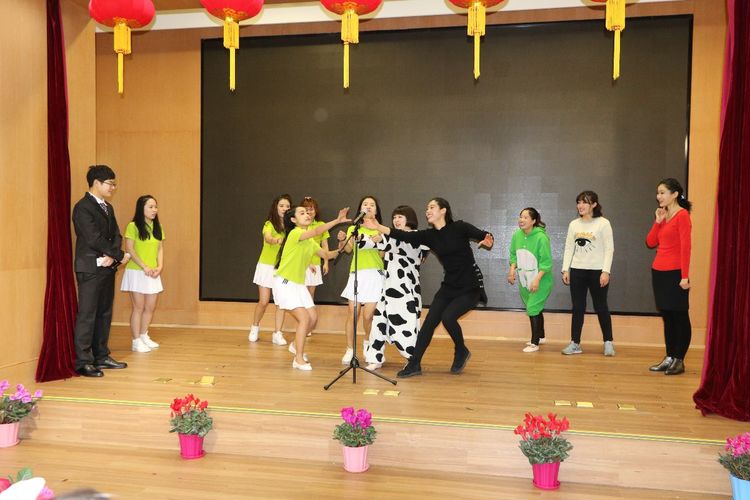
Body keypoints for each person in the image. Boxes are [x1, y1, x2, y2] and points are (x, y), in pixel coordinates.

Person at [364, 197, 493, 377]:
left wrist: (488, 240)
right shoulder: (430, 236)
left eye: (432, 207)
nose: (427, 211)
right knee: (429, 323)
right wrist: (378, 226)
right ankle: (414, 364)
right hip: (449, 286)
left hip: (470, 286)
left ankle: (460, 350)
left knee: (448, 317)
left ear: (443, 210)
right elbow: (403, 235)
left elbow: (485, 235)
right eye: (427, 208)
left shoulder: (460, 227)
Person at [273, 205, 349, 370]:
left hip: (298, 284)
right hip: (285, 283)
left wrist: (343, 246)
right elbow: (316, 231)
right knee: (304, 319)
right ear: (293, 220)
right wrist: (337, 221)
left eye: (307, 212)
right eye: (302, 213)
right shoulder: (295, 233)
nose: (307, 215)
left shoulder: (309, 242)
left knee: (313, 318)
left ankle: (295, 345)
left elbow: (327, 255)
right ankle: (298, 359)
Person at [71, 165, 130, 377]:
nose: (113, 187)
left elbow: (116, 235)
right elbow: (92, 238)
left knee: (104, 313)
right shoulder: (82, 207)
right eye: (110, 183)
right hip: (90, 268)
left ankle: (101, 356)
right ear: (96, 182)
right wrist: (118, 255)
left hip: (107, 266)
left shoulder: (108, 207)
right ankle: (83, 361)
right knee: (87, 314)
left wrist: (112, 256)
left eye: (114, 184)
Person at [362, 206, 429, 370]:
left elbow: (398, 242)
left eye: (400, 217)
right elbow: (369, 244)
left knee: (405, 327)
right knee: (378, 324)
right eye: (394, 217)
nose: (396, 220)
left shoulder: (416, 237)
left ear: (409, 218)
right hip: (387, 289)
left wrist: (379, 229)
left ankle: (412, 360)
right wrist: (356, 237)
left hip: (405, 292)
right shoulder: (390, 237)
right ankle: (375, 357)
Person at [646, 178, 692, 376]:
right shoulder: (663, 215)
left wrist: (685, 276)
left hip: (676, 273)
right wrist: (658, 222)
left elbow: (686, 247)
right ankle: (669, 357)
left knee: (679, 316)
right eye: (658, 192)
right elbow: (650, 242)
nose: (659, 196)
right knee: (668, 317)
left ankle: (679, 359)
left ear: (674, 194)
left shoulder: (682, 216)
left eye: (662, 192)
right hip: (659, 272)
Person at [560, 191, 615, 356]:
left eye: (584, 202)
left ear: (594, 204)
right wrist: (565, 269)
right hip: (577, 270)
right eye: (579, 202)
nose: (580, 205)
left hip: (597, 271)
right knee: (578, 307)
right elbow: (569, 247)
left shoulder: (603, 223)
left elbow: (609, 249)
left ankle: (608, 342)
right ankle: (575, 343)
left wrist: (606, 271)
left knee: (601, 307)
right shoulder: (574, 224)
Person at [337, 196, 385, 365]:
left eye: (372, 204)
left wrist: (380, 242)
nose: (368, 206)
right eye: (365, 204)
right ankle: (350, 349)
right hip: (357, 274)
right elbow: (347, 250)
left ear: (376, 210)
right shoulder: (353, 228)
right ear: (360, 209)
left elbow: (382, 255)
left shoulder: (380, 230)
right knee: (353, 313)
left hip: (375, 274)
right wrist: (342, 240)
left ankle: (368, 343)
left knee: (368, 315)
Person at [121, 195, 165, 353]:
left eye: (155, 207)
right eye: (150, 207)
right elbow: (129, 249)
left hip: (153, 273)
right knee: (138, 307)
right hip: (136, 271)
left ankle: (144, 335)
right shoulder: (133, 226)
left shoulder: (158, 226)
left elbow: (160, 248)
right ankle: (136, 341)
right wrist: (144, 266)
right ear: (142, 208)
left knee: (150, 307)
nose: (154, 210)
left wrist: (159, 266)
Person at [507, 207, 553, 353]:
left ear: (533, 221)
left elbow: (546, 262)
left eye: (526, 217)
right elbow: (513, 255)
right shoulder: (517, 235)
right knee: (534, 307)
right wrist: (512, 270)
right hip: (524, 279)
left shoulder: (541, 238)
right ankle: (541, 336)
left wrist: (537, 280)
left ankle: (534, 343)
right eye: (520, 216)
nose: (522, 220)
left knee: (532, 307)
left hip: (541, 280)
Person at [249, 195, 292, 346]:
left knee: (280, 302)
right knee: (264, 301)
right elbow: (268, 237)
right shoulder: (269, 224)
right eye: (282, 206)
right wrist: (276, 240)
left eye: (287, 206)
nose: (285, 208)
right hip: (266, 267)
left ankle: (277, 333)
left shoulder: (292, 227)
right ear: (276, 207)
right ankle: (255, 327)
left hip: (282, 268)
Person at [300, 197, 330, 313]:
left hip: (316, 263)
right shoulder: (299, 225)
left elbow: (325, 245)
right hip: (301, 264)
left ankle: (309, 317)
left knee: (311, 292)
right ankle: (303, 317)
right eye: (306, 209)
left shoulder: (321, 225)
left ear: (315, 210)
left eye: (311, 209)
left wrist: (326, 262)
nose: (309, 212)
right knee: (301, 292)